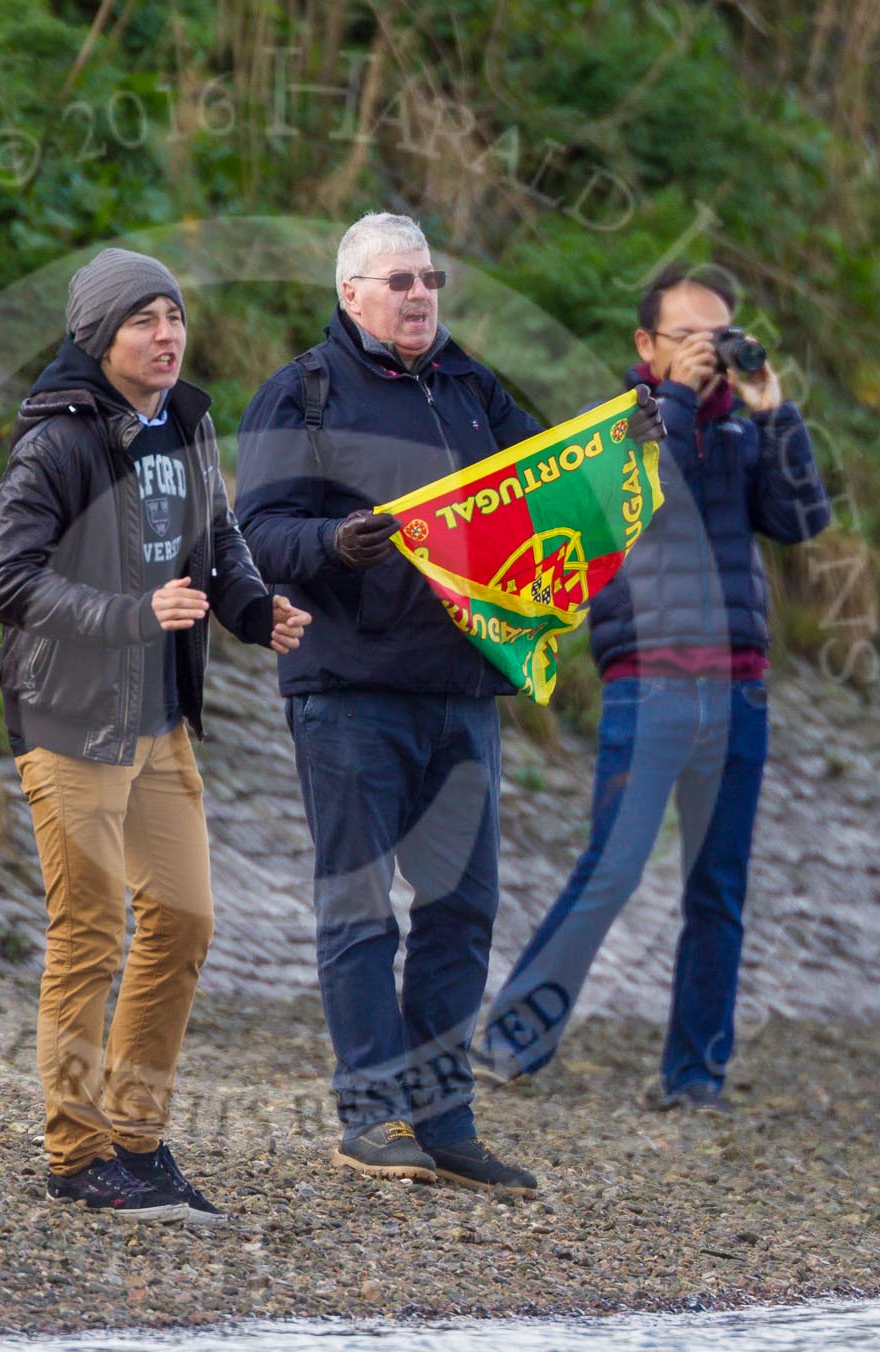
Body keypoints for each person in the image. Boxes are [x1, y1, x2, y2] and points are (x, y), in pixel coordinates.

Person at [234, 212, 653, 1195]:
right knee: (360, 906)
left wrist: (626, 442)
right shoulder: (300, 392)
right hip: (349, 690)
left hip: (466, 687)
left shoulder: (473, 388)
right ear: (352, 295)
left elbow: (553, 490)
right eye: (397, 281)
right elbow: (257, 531)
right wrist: (340, 542)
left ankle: (445, 1118)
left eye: (429, 279)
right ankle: (371, 1113)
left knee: (462, 910)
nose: (419, 295)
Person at [0, 249, 310, 1223]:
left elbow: (218, 542)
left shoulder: (189, 421)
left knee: (185, 920)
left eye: (173, 317)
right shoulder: (57, 441)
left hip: (158, 721)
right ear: (99, 337)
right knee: (89, 932)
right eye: (143, 321)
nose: (166, 336)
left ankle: (138, 1136)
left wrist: (253, 610)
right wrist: (131, 612)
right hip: (69, 720)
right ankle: (77, 1155)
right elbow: (3, 577)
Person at [477, 263, 833, 1112]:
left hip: (738, 685)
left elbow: (803, 520)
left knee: (719, 885)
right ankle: (510, 1042)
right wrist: (678, 399)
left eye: (721, 335)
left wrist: (776, 413)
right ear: (645, 344)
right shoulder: (617, 426)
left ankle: (696, 1075)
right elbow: (635, 500)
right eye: (689, 337)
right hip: (650, 681)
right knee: (614, 868)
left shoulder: (747, 427)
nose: (708, 352)